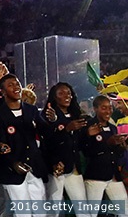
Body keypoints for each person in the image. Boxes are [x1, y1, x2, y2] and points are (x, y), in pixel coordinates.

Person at [0, 74, 50, 217]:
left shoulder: (31, 110)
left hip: (34, 168)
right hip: (13, 171)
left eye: (17, 83)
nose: (16, 87)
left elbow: (45, 131)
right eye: (10, 85)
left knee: (40, 212)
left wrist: (51, 120)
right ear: (3, 92)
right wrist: (13, 163)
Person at [42, 82, 87, 212]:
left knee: (82, 207)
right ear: (55, 98)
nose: (66, 96)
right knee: (53, 208)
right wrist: (65, 129)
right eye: (61, 93)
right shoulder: (48, 115)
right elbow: (48, 142)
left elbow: (80, 143)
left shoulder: (76, 115)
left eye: (68, 93)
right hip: (57, 168)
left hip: (73, 168)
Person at [81, 95, 128, 214]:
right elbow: (86, 152)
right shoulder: (88, 126)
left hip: (113, 176)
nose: (108, 111)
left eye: (110, 108)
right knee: (92, 212)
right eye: (104, 108)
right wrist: (108, 143)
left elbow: (115, 152)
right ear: (95, 109)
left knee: (124, 210)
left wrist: (121, 147)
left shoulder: (113, 127)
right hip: (95, 177)